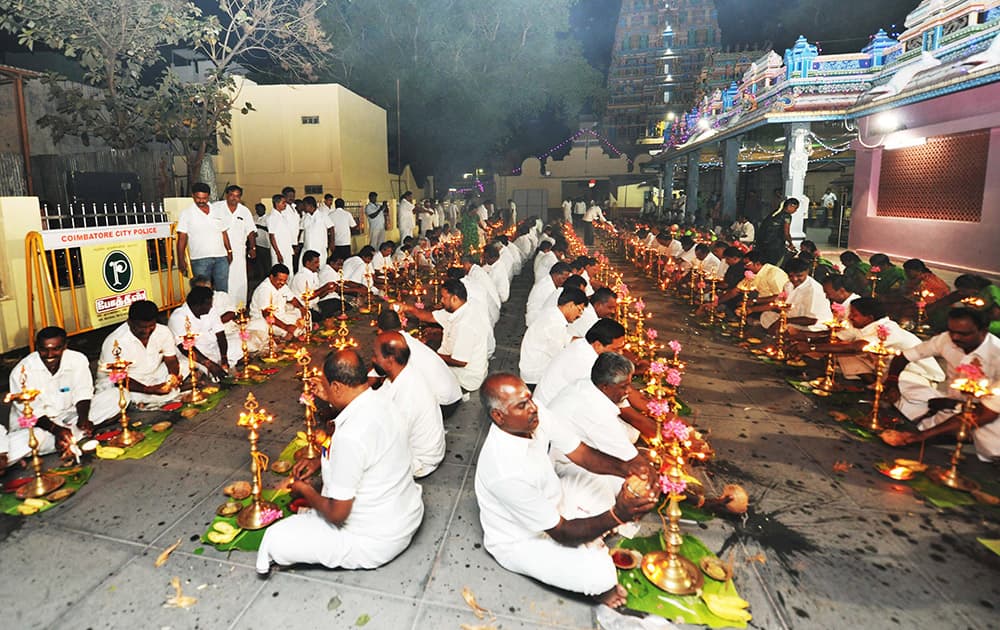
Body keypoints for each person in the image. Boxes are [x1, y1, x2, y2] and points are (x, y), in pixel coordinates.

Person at [474, 374, 657, 608]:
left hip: (554, 500)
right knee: (601, 577)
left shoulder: (533, 413)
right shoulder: (504, 469)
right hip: (524, 539)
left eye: (529, 399)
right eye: (522, 405)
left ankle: (591, 534)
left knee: (602, 478)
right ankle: (592, 538)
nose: (532, 408)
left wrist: (628, 468)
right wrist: (619, 514)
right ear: (498, 416)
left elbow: (580, 453)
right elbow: (562, 532)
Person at [256, 350, 424, 575]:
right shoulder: (383, 400)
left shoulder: (351, 436)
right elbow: (359, 446)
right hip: (406, 513)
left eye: (326, 385)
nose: (323, 390)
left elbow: (338, 514)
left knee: (275, 539)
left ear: (337, 387)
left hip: (375, 540)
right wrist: (319, 460)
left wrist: (305, 490)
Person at [881, 307, 1000, 461]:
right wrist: (892, 384)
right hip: (953, 407)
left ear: (983, 331)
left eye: (964, 334)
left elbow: (983, 414)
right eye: (952, 331)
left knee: (988, 447)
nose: (955, 337)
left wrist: (921, 437)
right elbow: (903, 357)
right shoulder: (946, 339)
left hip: (990, 416)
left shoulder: (997, 355)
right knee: (907, 390)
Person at [3, 327, 118, 468]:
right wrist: (57, 430)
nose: (50, 354)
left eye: (56, 349)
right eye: (44, 349)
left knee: (116, 396)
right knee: (32, 439)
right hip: (39, 426)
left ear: (65, 345)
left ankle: (69, 436)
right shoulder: (22, 372)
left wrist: (83, 419)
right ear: (37, 347)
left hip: (70, 415)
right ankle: (72, 436)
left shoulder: (77, 359)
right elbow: (33, 412)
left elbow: (83, 391)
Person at [547, 353, 644, 513]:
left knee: (630, 441)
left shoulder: (587, 384)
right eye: (623, 387)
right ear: (605, 386)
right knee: (629, 486)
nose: (628, 391)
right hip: (564, 464)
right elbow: (632, 461)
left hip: (571, 451)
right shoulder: (595, 411)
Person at [795, 298, 943, 394]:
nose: (850, 317)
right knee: (843, 352)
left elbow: (855, 347)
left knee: (850, 350)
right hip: (886, 367)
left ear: (869, 318)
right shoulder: (863, 325)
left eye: (854, 314)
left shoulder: (886, 328)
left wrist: (811, 348)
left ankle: (881, 391)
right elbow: (837, 339)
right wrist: (805, 341)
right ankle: (871, 385)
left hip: (918, 376)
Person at [372, 332, 446, 478]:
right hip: (410, 447)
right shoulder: (402, 373)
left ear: (390, 361)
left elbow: (391, 440)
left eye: (375, 355)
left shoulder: (409, 394)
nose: (372, 359)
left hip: (419, 462)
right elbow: (377, 399)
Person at [403, 279, 491, 392]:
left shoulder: (465, 325)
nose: (441, 300)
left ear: (454, 298)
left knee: (415, 371)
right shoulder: (460, 309)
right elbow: (429, 317)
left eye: (444, 297)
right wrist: (407, 308)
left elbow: (460, 362)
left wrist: (431, 356)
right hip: (460, 367)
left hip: (465, 377)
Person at [96, 300, 182, 408]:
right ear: (129, 322)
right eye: (141, 327)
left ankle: (149, 399)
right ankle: (147, 398)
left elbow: (171, 359)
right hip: (124, 382)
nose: (146, 331)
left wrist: (172, 378)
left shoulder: (163, 331)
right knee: (120, 396)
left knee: (184, 363)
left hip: (152, 376)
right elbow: (117, 379)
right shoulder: (115, 341)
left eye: (151, 326)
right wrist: (148, 389)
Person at [376, 309, 463, 417]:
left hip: (444, 405)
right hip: (454, 395)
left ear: (380, 331)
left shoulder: (397, 348)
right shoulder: (408, 340)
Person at [535, 318, 626, 405]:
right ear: (598, 345)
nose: (620, 353)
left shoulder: (584, 344)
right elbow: (611, 396)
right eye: (616, 349)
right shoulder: (585, 360)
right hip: (550, 410)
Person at [519, 287, 588, 388]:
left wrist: (587, 342)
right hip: (535, 377)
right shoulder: (554, 323)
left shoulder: (553, 313)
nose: (580, 315)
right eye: (579, 310)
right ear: (571, 305)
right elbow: (560, 357)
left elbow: (565, 338)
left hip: (532, 369)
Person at [167, 286, 238, 381]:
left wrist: (224, 357)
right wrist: (209, 364)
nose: (211, 306)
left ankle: (216, 366)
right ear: (197, 306)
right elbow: (185, 348)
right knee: (212, 372)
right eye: (208, 304)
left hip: (212, 347)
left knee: (238, 343)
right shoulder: (178, 317)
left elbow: (220, 334)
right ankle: (203, 371)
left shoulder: (210, 310)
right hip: (193, 354)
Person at [176, 182, 233, 292]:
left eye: (204, 198)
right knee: (202, 292)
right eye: (198, 198)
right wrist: (180, 259)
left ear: (209, 196)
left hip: (221, 257)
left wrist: (229, 251)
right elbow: (182, 238)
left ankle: (222, 309)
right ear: (193, 196)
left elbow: (224, 233)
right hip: (199, 259)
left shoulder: (217, 211)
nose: (201, 201)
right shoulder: (186, 213)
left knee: (223, 290)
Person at [756, 257, 832, 333]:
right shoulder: (788, 285)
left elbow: (812, 320)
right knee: (766, 315)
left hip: (812, 325)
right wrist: (752, 308)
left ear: (807, 271)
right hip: (792, 318)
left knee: (787, 328)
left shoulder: (814, 289)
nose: (795, 279)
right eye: (791, 276)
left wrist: (785, 321)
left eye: (799, 276)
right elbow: (779, 304)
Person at [212, 184, 256, 303]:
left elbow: (250, 231)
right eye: (231, 195)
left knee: (239, 278)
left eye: (237, 196)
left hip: (239, 250)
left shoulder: (244, 211)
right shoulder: (216, 208)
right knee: (223, 278)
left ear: (240, 197)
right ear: (227, 195)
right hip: (220, 250)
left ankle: (239, 306)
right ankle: (224, 306)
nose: (234, 198)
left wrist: (253, 248)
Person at [248, 264, 308, 340]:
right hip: (265, 320)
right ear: (271, 277)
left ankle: (287, 334)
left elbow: (293, 299)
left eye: (285, 280)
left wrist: (302, 309)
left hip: (281, 316)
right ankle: (281, 336)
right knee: (293, 332)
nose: (282, 283)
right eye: (280, 280)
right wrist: (286, 327)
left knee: (302, 317)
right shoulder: (264, 289)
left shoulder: (282, 286)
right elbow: (266, 314)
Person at [291, 250, 342, 320]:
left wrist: (327, 291)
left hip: (314, 305)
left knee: (336, 302)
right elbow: (307, 297)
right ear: (308, 263)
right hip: (303, 309)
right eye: (315, 263)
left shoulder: (314, 274)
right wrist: (325, 287)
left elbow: (317, 296)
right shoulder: (301, 276)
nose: (318, 265)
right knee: (322, 316)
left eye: (318, 262)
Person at [526, 262, 572, 327]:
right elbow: (554, 309)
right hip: (536, 320)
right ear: (555, 275)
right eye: (563, 278)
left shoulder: (549, 281)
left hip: (540, 316)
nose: (565, 281)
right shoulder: (547, 287)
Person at [756, 197, 798, 265]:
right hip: (775, 245)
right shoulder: (787, 216)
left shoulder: (774, 213)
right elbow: (786, 233)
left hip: (762, 243)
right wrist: (790, 243)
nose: (795, 211)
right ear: (790, 206)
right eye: (795, 208)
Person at [297, 196, 332, 269]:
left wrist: (332, 242)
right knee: (303, 268)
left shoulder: (323, 215)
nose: (303, 207)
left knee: (319, 268)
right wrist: (297, 244)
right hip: (307, 248)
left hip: (319, 248)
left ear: (310, 205)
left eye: (304, 205)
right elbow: (301, 230)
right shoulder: (305, 217)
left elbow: (331, 228)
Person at [267, 193, 300, 269]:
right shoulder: (272, 217)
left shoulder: (282, 215)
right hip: (279, 250)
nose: (285, 204)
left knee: (289, 270)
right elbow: (272, 237)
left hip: (286, 248)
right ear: (277, 203)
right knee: (280, 271)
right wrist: (278, 253)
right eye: (283, 203)